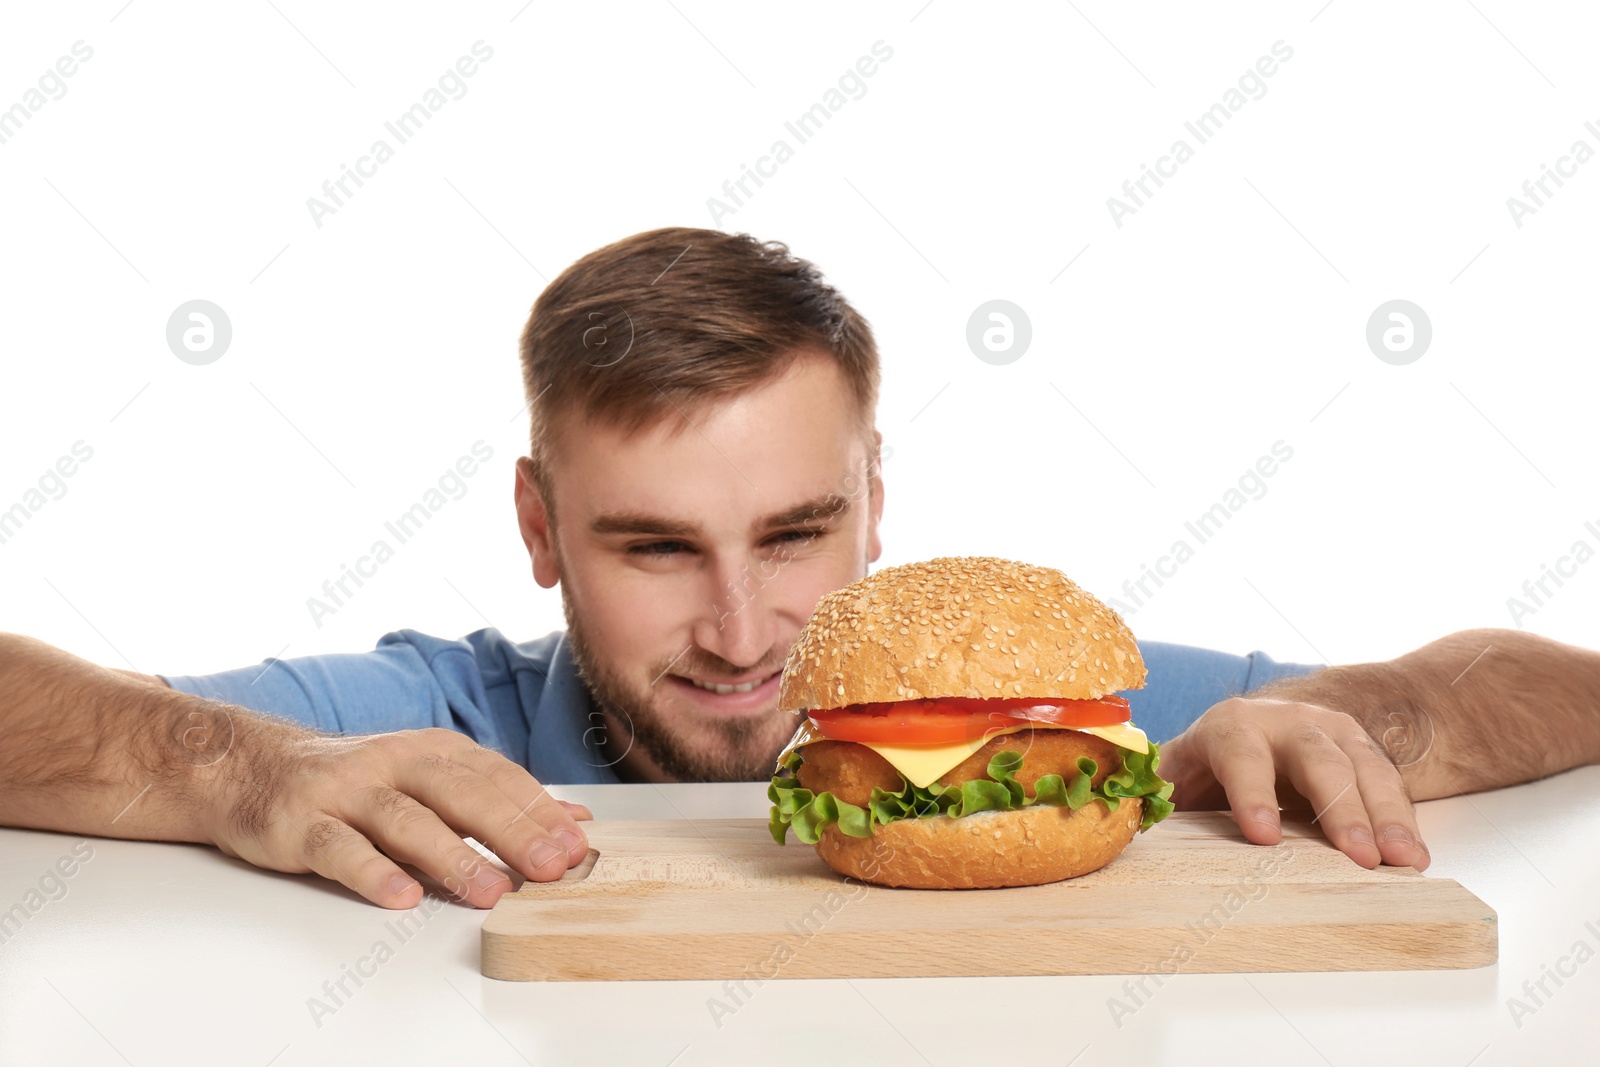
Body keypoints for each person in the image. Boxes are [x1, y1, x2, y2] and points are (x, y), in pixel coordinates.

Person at [2, 228, 1596, 911]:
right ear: (541, 530)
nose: (744, 631)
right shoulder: (437, 720)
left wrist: (1359, 723)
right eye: (651, 548)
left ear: (875, 505)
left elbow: (1551, 687)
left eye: (793, 535)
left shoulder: (1028, 707)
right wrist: (213, 762)